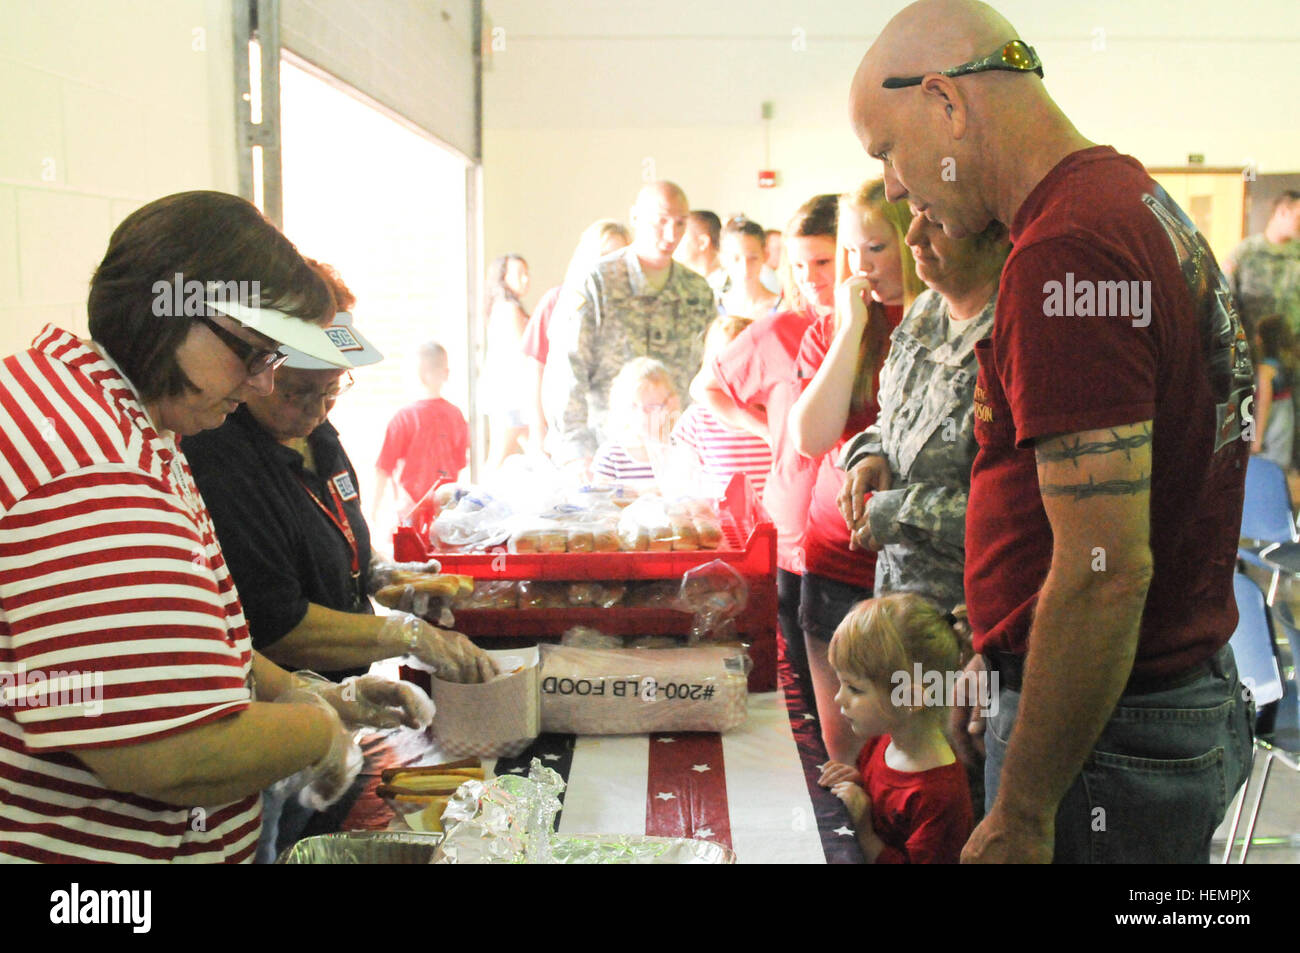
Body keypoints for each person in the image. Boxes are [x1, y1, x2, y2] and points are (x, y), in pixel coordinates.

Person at [850, 0, 1254, 863]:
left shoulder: (1065, 251)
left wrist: (1026, 806)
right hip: (1132, 700)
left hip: (1108, 735)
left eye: (885, 149)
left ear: (945, 103)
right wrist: (999, 652)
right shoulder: (1123, 197)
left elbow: (1106, 571)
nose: (891, 185)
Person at [0, 190, 427, 862]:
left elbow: (165, 651)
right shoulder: (100, 472)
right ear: (171, 313)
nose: (262, 384)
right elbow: (164, 752)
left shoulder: (109, 406)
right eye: (254, 354)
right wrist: (315, 734)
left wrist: (302, 688)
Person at [184, 264, 493, 686]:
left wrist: (381, 575)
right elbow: (278, 627)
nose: (317, 410)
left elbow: (341, 537)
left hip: (344, 685)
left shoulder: (316, 433)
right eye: (297, 391)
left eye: (331, 389)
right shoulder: (223, 458)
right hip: (286, 696)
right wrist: (409, 635)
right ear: (257, 369)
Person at [787, 179, 920, 764]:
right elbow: (811, 436)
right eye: (851, 251)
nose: (861, 267)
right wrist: (849, 329)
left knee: (916, 750)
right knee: (845, 753)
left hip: (920, 568)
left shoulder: (947, 321)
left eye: (877, 248)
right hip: (837, 561)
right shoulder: (836, 328)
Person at [697, 194, 837, 685]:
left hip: (860, 541)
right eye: (798, 265)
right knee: (803, 689)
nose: (809, 276)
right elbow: (706, 387)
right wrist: (765, 428)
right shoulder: (778, 330)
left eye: (823, 261)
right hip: (793, 536)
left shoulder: (888, 330)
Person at [838, 217, 1009, 610]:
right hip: (900, 603)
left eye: (936, 220)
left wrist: (903, 510)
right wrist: (870, 455)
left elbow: (1023, 510)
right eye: (913, 216)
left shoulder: (1018, 331)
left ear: (996, 235)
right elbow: (893, 416)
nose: (913, 238)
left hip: (974, 618)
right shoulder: (926, 308)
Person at [543, 181, 716, 467]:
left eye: (680, 223)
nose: (671, 235)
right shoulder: (596, 282)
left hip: (676, 451)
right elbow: (566, 370)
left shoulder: (697, 291)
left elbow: (707, 371)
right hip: (605, 452)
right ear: (635, 218)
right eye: (660, 222)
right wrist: (574, 448)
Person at [818, 594, 974, 863]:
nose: (838, 698)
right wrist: (856, 782)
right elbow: (884, 805)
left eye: (854, 688)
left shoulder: (939, 795)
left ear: (910, 699)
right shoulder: (885, 742)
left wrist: (865, 832)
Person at [523, 221, 631, 455]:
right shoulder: (557, 301)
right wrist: (538, 435)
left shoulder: (634, 307)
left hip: (620, 437)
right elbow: (537, 373)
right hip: (571, 436)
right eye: (604, 255)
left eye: (619, 256)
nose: (610, 265)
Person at [673, 314, 773, 499]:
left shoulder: (775, 413)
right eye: (725, 363)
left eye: (745, 361)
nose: (734, 372)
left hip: (777, 523)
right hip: (721, 525)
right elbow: (682, 486)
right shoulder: (697, 420)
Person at [372, 341, 470, 525]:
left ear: (415, 375)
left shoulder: (403, 418)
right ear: (445, 373)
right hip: (444, 509)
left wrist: (373, 511)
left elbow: (383, 468)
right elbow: (459, 463)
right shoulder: (456, 415)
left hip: (408, 511)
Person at [591, 357, 680, 487]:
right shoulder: (611, 455)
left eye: (652, 407)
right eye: (633, 406)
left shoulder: (679, 451)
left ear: (670, 405)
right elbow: (600, 501)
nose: (641, 414)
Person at [1224, 191, 1300, 338]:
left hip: (1294, 351)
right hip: (1253, 350)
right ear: (1282, 212)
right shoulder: (1245, 253)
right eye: (1299, 217)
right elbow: (1226, 302)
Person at [482, 253, 531, 472]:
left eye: (527, 273)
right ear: (503, 277)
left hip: (507, 392)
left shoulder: (502, 307)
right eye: (519, 274)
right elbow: (525, 351)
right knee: (499, 457)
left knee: (534, 450)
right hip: (511, 393)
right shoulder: (509, 308)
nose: (526, 279)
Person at [1250, 314, 1295, 470]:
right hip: (1284, 432)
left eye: (1257, 333)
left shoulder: (1265, 370)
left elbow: (1264, 404)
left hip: (1271, 436)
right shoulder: (1286, 366)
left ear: (1263, 339)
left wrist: (1257, 440)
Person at [718, 216, 782, 318]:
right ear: (722, 259)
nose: (745, 268)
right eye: (736, 259)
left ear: (765, 256)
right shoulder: (712, 309)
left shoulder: (782, 309)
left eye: (753, 258)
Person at [675, 210, 726, 291]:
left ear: (702, 242)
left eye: (681, 235)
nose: (673, 240)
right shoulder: (680, 283)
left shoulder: (731, 286)